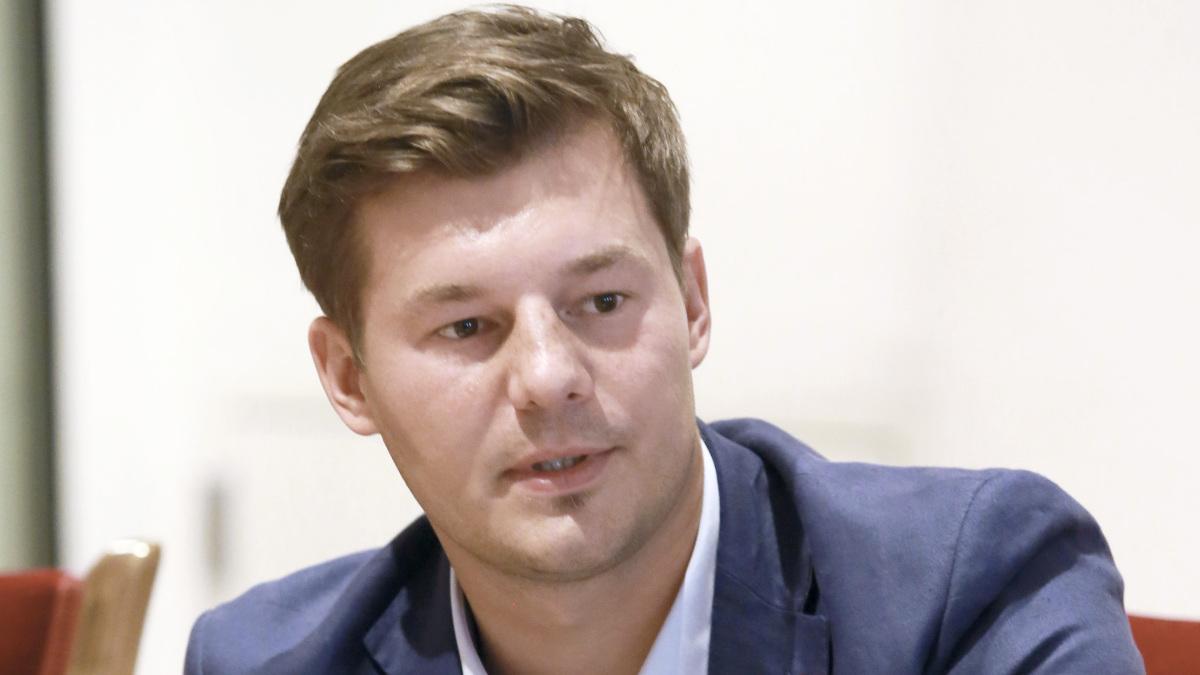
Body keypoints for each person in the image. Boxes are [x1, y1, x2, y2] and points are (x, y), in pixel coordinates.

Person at [184, 6, 1143, 674]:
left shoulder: (969, 591)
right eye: (467, 325)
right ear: (348, 378)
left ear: (691, 302)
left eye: (601, 300)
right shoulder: (267, 659)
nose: (549, 376)